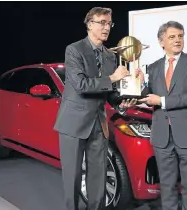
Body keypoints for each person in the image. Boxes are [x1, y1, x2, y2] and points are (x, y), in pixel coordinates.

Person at [53, 7, 138, 210]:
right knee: (72, 177)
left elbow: (108, 92)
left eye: (109, 23)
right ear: (89, 24)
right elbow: (82, 85)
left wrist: (121, 102)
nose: (106, 27)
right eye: (102, 22)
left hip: (99, 125)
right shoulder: (74, 50)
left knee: (98, 177)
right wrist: (113, 78)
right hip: (73, 123)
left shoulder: (110, 56)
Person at [138, 21, 187, 210]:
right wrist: (136, 89)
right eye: (172, 37)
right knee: (167, 188)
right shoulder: (153, 68)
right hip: (162, 136)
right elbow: (148, 95)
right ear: (161, 42)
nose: (177, 40)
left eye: (180, 36)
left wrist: (161, 101)